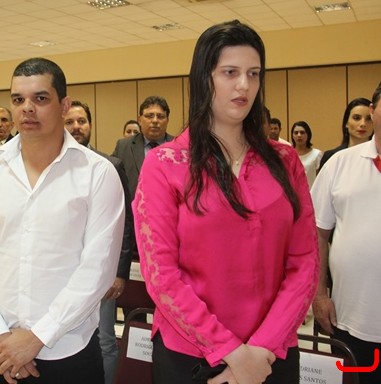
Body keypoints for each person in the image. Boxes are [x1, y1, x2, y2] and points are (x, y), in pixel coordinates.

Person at [133, 20, 318, 384]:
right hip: (191, 355)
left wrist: (260, 351)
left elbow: (305, 262)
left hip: (272, 354)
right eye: (230, 72)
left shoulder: (285, 161)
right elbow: (161, 276)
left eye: (254, 73)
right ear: (205, 78)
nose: (244, 85)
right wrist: (233, 353)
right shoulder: (165, 164)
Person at [0, 58, 125, 384]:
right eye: (18, 99)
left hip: (69, 352)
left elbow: (97, 271)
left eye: (40, 98)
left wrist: (37, 337)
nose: (27, 108)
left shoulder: (97, 173)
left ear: (63, 105)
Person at [310, 85, 381, 384]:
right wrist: (319, 295)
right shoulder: (340, 163)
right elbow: (316, 234)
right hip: (351, 319)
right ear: (373, 111)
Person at [64, 101, 133, 384]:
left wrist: (119, 272)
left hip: (101, 273)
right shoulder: (53, 168)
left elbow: (124, 224)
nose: (76, 127)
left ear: (90, 125)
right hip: (65, 271)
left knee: (104, 341)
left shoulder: (110, 166)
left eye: (81, 121)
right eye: (70, 122)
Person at [112, 96, 174, 204]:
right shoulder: (124, 146)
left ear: (167, 120)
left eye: (160, 116)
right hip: (134, 211)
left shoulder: (179, 147)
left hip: (171, 210)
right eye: (149, 116)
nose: (155, 120)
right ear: (140, 120)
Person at [319, 97, 373, 169]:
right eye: (357, 118)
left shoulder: (378, 155)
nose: (363, 124)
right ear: (346, 123)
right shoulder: (331, 156)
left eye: (369, 119)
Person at [291, 121, 322, 188]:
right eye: (296, 133)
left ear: (308, 135)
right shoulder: (288, 155)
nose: (299, 135)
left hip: (311, 192)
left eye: (302, 132)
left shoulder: (316, 154)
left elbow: (321, 179)